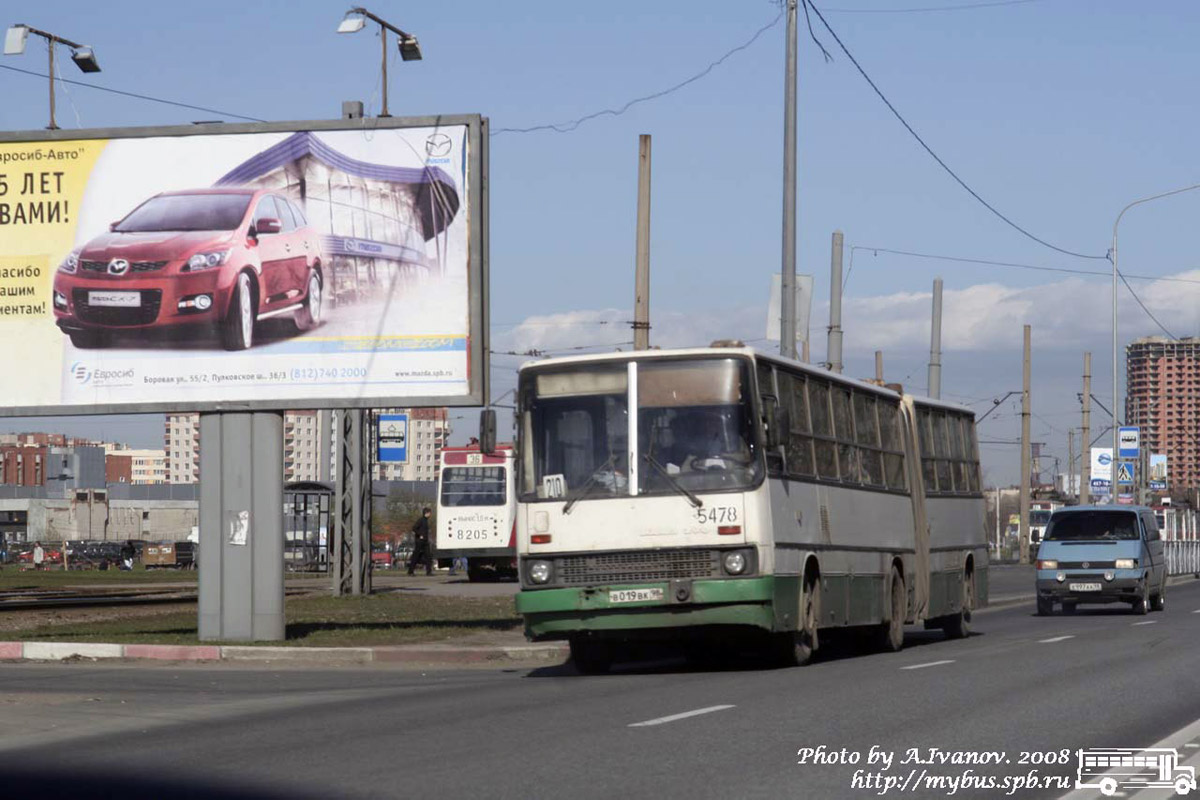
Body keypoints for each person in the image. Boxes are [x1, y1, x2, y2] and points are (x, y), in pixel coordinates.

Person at [407, 508, 433, 576]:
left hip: (425, 541)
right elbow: (414, 528)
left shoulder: (426, 521)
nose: (430, 514)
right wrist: (420, 534)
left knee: (428, 556)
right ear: (426, 513)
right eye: (429, 513)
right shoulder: (421, 520)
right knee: (416, 556)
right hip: (419, 541)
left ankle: (429, 571)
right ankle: (410, 571)